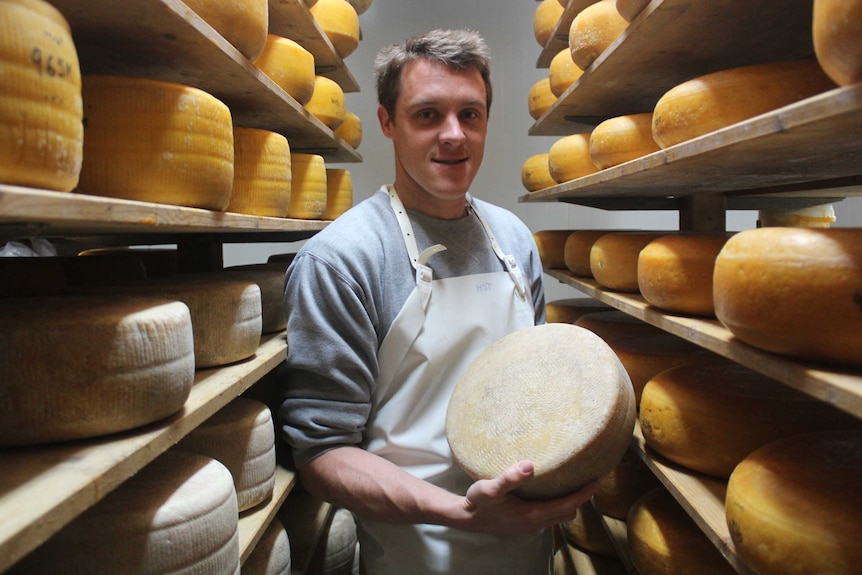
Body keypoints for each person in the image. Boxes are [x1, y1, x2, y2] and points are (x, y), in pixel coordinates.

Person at [278, 28, 598, 575]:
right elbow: (322, 454)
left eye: (470, 115)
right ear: (387, 123)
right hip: (413, 553)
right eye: (428, 115)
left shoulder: (515, 240)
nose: (454, 135)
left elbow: (542, 395)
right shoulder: (342, 258)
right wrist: (460, 513)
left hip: (527, 551)